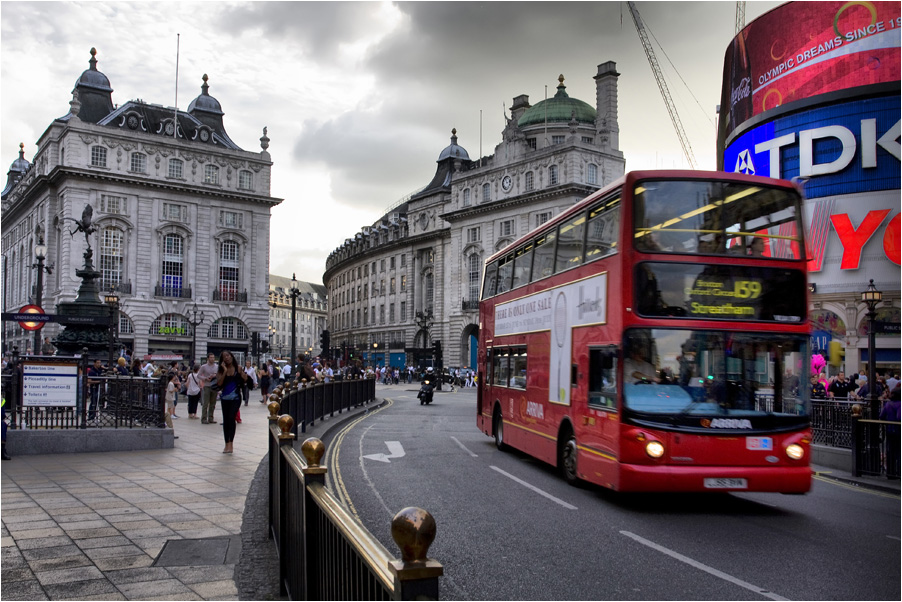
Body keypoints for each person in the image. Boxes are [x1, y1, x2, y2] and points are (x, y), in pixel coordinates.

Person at [216, 350, 247, 454]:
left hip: (235, 398)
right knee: (226, 421)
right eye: (224, 356)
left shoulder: (238, 368)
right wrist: (224, 371)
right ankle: (226, 444)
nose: (227, 358)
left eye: (228, 355)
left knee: (231, 418)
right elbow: (219, 383)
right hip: (225, 398)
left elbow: (245, 379)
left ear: (232, 356)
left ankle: (231, 444)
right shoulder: (221, 370)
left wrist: (242, 375)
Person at [879, 388, 901, 479]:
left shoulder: (888, 404)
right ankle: (899, 472)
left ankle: (890, 473)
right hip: (898, 430)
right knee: (899, 452)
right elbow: (899, 417)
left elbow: (881, 416)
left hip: (889, 430)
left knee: (890, 451)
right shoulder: (900, 404)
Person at [198, 353, 219, 424]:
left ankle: (211, 417)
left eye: (213, 357)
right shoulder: (204, 366)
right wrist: (205, 378)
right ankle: (203, 418)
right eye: (211, 357)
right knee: (205, 403)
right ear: (208, 358)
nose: (212, 359)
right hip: (207, 385)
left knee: (213, 403)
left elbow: (219, 375)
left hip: (214, 386)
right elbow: (198, 375)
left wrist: (215, 375)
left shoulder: (216, 366)